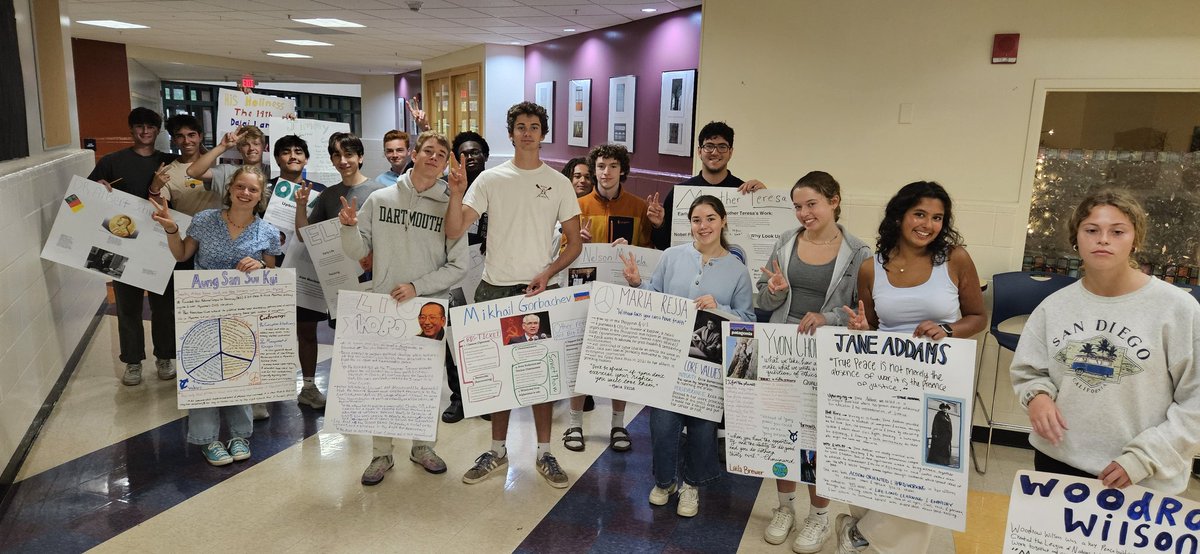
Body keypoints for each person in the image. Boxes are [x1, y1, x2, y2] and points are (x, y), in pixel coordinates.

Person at [1011, 189, 1200, 496]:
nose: (1103, 239)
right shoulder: (1054, 306)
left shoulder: (1177, 308)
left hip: (1142, 473)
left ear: (1135, 239)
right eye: (1091, 230)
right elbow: (1029, 371)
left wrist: (1145, 457)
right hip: (1059, 460)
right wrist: (1037, 397)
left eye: (1117, 231)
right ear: (1076, 239)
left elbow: (1196, 401)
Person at [840, 181, 985, 554]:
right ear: (900, 216)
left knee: (930, 470)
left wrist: (948, 329)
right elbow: (870, 327)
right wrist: (860, 329)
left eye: (938, 217)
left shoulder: (955, 259)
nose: (928, 224)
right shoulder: (872, 269)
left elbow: (977, 317)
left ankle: (862, 534)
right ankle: (865, 533)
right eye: (920, 214)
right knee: (883, 462)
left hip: (939, 382)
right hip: (886, 383)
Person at [444, 102, 583, 489]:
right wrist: (456, 193)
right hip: (493, 290)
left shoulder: (558, 182)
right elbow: (455, 230)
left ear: (543, 133)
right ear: (511, 133)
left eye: (534, 126)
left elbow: (573, 245)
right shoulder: (489, 180)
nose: (526, 132)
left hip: (539, 291)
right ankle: (497, 449)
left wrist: (548, 271)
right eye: (520, 126)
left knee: (542, 378)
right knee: (495, 376)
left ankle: (543, 452)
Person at [339, 130, 466, 485]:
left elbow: (459, 266)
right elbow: (354, 251)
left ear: (446, 163)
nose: (434, 157)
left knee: (426, 382)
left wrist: (417, 287)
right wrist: (348, 228)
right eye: (428, 150)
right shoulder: (380, 199)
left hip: (428, 308)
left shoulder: (450, 205)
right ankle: (381, 453)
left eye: (442, 154)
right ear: (413, 153)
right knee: (384, 382)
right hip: (385, 306)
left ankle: (422, 446)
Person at [753, 171, 871, 552]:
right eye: (798, 207)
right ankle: (785, 508)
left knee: (817, 437)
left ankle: (819, 517)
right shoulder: (785, 242)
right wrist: (774, 293)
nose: (804, 213)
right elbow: (764, 299)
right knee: (781, 431)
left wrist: (829, 318)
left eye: (811, 204)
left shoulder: (858, 252)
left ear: (834, 200)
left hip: (826, 354)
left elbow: (861, 311)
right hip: (782, 348)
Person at [620, 194, 754, 518]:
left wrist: (720, 310)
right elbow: (655, 297)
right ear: (689, 224)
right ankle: (665, 482)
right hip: (669, 358)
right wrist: (638, 284)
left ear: (722, 221)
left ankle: (692, 484)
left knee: (702, 428)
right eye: (696, 219)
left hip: (708, 367)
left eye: (710, 218)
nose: (703, 226)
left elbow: (748, 321)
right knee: (663, 424)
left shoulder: (737, 271)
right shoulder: (671, 256)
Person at [149, 165, 281, 466]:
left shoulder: (268, 232)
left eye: (253, 189)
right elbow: (182, 254)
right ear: (230, 188)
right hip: (203, 309)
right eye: (241, 187)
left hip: (244, 315)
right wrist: (171, 229)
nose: (245, 193)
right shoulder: (204, 220)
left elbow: (274, 274)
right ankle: (207, 439)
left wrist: (262, 267)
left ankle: (238, 435)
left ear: (261, 196)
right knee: (203, 374)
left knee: (238, 371)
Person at [87, 107, 178, 386]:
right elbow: (88, 195)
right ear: (131, 130)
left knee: (164, 306)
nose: (144, 131)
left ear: (158, 130)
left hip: (161, 244)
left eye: (150, 126)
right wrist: (98, 185)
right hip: (120, 244)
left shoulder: (169, 162)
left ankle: (165, 356)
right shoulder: (112, 161)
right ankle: (133, 362)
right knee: (127, 307)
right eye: (138, 126)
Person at [269, 134, 329, 410]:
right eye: (285, 151)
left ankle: (308, 386)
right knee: (269, 330)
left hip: (306, 270)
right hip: (271, 268)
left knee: (307, 331)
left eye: (298, 151)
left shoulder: (321, 192)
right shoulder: (264, 188)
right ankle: (267, 389)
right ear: (277, 157)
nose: (292, 155)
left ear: (306, 158)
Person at [648, 121, 765, 251]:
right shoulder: (678, 193)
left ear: (730, 152)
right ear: (699, 151)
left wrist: (764, 198)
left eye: (722, 147)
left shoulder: (744, 191)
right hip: (689, 268)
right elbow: (663, 245)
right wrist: (658, 224)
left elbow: (761, 239)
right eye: (709, 146)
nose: (715, 152)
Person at [186, 125, 267, 197]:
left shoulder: (273, 171)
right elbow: (192, 172)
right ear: (239, 148)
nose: (251, 148)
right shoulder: (227, 171)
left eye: (256, 144)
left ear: (264, 146)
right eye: (245, 144)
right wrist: (222, 146)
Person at [160, 114, 217, 215]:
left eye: (191, 135)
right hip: (186, 228)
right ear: (174, 140)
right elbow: (159, 208)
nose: (186, 141)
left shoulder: (215, 162)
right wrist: (154, 189)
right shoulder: (167, 172)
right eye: (180, 136)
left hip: (223, 227)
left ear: (200, 137)